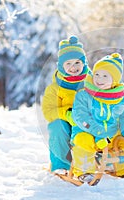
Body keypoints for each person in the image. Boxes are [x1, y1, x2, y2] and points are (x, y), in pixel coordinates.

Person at [70, 53, 124, 183]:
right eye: (97, 74)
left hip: (110, 134)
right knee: (83, 141)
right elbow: (81, 117)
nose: (99, 79)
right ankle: (85, 172)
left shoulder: (121, 99)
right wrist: (98, 133)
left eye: (105, 76)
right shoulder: (84, 95)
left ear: (114, 80)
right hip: (87, 130)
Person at [42, 35, 90, 175]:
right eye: (68, 64)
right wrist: (67, 114)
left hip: (89, 121)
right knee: (56, 126)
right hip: (66, 122)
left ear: (84, 63)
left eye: (77, 63)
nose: (73, 67)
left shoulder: (93, 82)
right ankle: (61, 164)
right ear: (61, 66)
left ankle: (105, 160)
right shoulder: (54, 88)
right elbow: (48, 111)